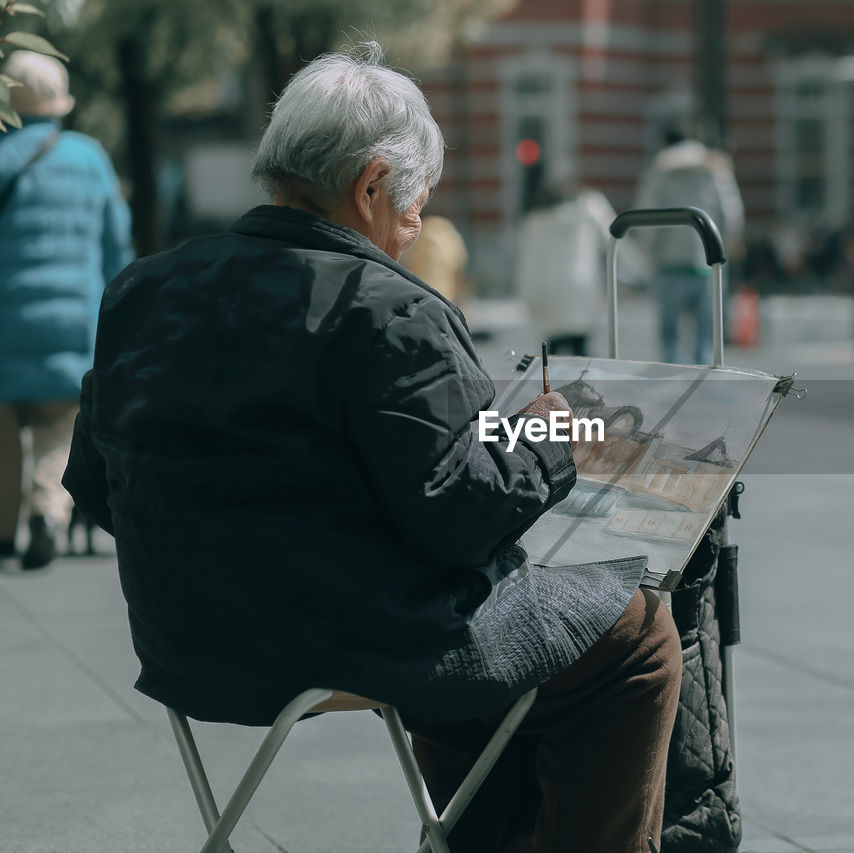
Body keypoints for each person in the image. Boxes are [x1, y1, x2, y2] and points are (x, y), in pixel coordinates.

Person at [62, 44, 679, 853]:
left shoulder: (142, 290)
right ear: (371, 186)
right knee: (637, 633)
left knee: (500, 623)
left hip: (187, 641)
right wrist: (553, 440)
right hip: (350, 636)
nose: (416, 227)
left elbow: (93, 482)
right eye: (416, 204)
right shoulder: (386, 308)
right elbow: (460, 515)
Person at [0, 50, 133, 570]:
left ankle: (6, 528)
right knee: (60, 425)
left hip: (5, 328)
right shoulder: (88, 157)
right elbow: (114, 246)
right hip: (69, 321)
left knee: (6, 430)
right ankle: (47, 514)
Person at [634, 125, 743, 365]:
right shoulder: (715, 168)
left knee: (669, 336)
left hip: (670, 264)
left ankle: (673, 385)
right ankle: (703, 387)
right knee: (706, 338)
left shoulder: (659, 168)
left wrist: (650, 254)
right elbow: (731, 213)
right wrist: (724, 249)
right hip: (708, 263)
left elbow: (648, 217)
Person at [515, 165, 618, 357]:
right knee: (581, 352)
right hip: (581, 288)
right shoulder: (589, 211)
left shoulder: (536, 221)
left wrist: (528, 297)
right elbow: (614, 238)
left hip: (550, 293)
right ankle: (580, 387)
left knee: (552, 355)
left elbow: (530, 264)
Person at [398, 212, 468, 304]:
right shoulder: (452, 238)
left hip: (418, 299)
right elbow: (459, 275)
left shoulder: (418, 237)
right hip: (444, 300)